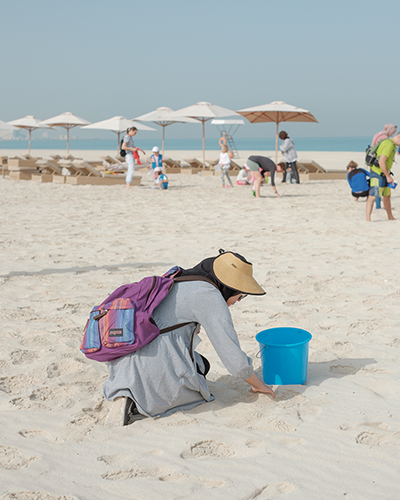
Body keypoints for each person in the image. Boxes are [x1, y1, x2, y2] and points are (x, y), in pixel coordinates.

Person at [104, 250, 275, 425]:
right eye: (241, 294)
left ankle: (126, 390)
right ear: (229, 287)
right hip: (152, 364)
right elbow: (232, 357)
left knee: (201, 363)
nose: (239, 300)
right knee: (198, 375)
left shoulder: (182, 278)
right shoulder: (209, 296)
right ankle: (140, 397)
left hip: (123, 361)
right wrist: (257, 384)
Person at [366, 134, 400, 221]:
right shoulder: (388, 144)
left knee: (387, 196)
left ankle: (390, 216)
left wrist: (387, 175)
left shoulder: (392, 145)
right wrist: (388, 177)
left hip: (384, 173)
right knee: (373, 196)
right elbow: (382, 161)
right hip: (377, 173)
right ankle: (368, 218)